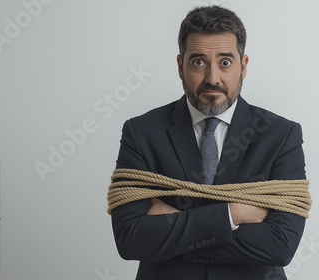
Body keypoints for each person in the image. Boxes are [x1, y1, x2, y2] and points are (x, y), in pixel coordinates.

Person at [111, 5, 308, 280]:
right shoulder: (141, 132)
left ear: (244, 66)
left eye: (225, 62)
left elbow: (280, 246)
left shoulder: (281, 136)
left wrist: (173, 226)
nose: (212, 78)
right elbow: (131, 239)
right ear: (181, 66)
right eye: (199, 62)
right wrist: (233, 213)